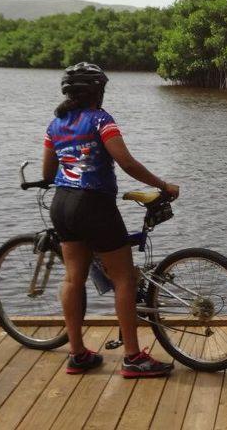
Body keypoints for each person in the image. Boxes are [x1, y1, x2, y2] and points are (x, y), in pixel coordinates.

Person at [42, 62, 179, 377]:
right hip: (93, 205)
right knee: (124, 278)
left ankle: (77, 355)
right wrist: (162, 185)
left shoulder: (55, 124)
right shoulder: (101, 120)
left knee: (72, 278)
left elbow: (48, 174)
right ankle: (133, 357)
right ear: (98, 92)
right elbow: (127, 163)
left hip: (62, 204)